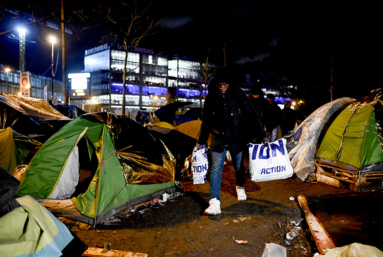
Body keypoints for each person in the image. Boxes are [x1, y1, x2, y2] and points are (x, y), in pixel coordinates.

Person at [196, 67, 269, 215]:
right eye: (219, 85)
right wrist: (201, 141)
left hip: (237, 137)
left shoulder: (239, 96)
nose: (222, 88)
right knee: (216, 168)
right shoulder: (211, 97)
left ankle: (240, 186)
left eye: (225, 84)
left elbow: (252, 115)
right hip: (219, 138)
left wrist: (263, 135)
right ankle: (214, 202)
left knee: (238, 166)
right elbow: (207, 121)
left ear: (230, 84)